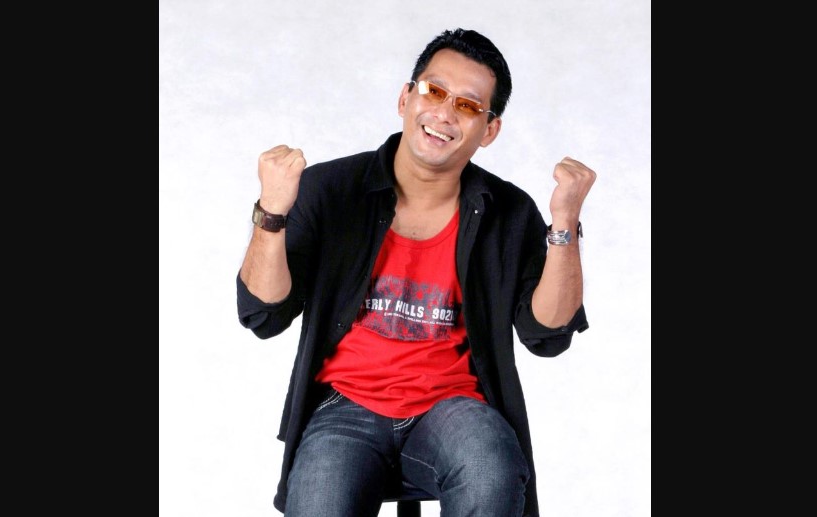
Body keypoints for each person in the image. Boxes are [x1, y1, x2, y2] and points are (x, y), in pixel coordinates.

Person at [237, 28, 595, 517]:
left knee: (489, 468)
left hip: (454, 409)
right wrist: (273, 212)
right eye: (433, 91)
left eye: (468, 105)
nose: (445, 113)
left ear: (489, 130)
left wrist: (565, 224)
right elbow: (264, 313)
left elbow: (547, 333)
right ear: (405, 98)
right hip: (344, 407)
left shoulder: (508, 212)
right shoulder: (329, 189)